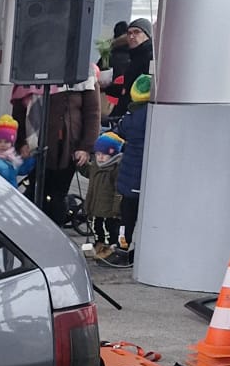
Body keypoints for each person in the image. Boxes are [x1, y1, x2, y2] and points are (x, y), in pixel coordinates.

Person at [27, 74, 100, 226]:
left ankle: (54, 231)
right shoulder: (35, 70)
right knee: (34, 192)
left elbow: (93, 113)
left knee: (58, 195)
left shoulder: (85, 75)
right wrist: (22, 141)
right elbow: (21, 107)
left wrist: (85, 147)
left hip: (67, 147)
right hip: (36, 144)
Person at [105, 74, 152, 266]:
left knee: (127, 218)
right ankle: (143, 251)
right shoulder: (155, 114)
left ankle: (122, 250)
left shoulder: (132, 117)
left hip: (130, 178)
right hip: (147, 176)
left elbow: (121, 130)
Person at [82, 131, 124, 260]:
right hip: (95, 205)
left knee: (109, 229)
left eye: (104, 155)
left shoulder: (116, 168)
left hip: (108, 209)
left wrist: (116, 209)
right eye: (98, 154)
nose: (100, 157)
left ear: (113, 154)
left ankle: (109, 247)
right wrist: (80, 164)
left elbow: (118, 191)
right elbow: (88, 172)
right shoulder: (96, 165)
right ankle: (99, 244)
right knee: (96, 227)